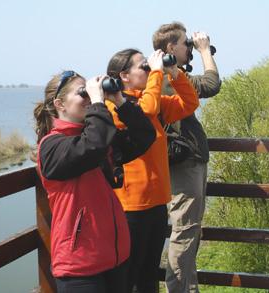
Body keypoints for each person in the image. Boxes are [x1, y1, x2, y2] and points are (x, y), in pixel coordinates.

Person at [33, 71, 156, 293]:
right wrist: (98, 102)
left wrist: (119, 100)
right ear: (60, 104)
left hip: (115, 258)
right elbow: (93, 145)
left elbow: (144, 136)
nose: (89, 98)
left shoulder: (97, 139)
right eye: (83, 93)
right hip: (80, 267)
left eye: (89, 92)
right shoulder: (51, 146)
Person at [106, 48, 199, 293]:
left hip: (157, 202)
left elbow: (190, 102)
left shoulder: (152, 101)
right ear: (124, 76)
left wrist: (175, 74)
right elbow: (144, 111)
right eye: (144, 67)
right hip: (131, 205)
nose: (149, 70)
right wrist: (157, 74)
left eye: (150, 66)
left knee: (149, 274)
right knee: (130, 276)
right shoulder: (112, 105)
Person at [152, 22, 221, 293]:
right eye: (185, 44)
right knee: (185, 229)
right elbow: (211, 84)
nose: (188, 48)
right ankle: (180, 289)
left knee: (188, 230)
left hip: (182, 161)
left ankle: (186, 288)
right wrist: (205, 50)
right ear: (170, 48)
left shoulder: (167, 75)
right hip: (184, 164)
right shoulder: (169, 75)